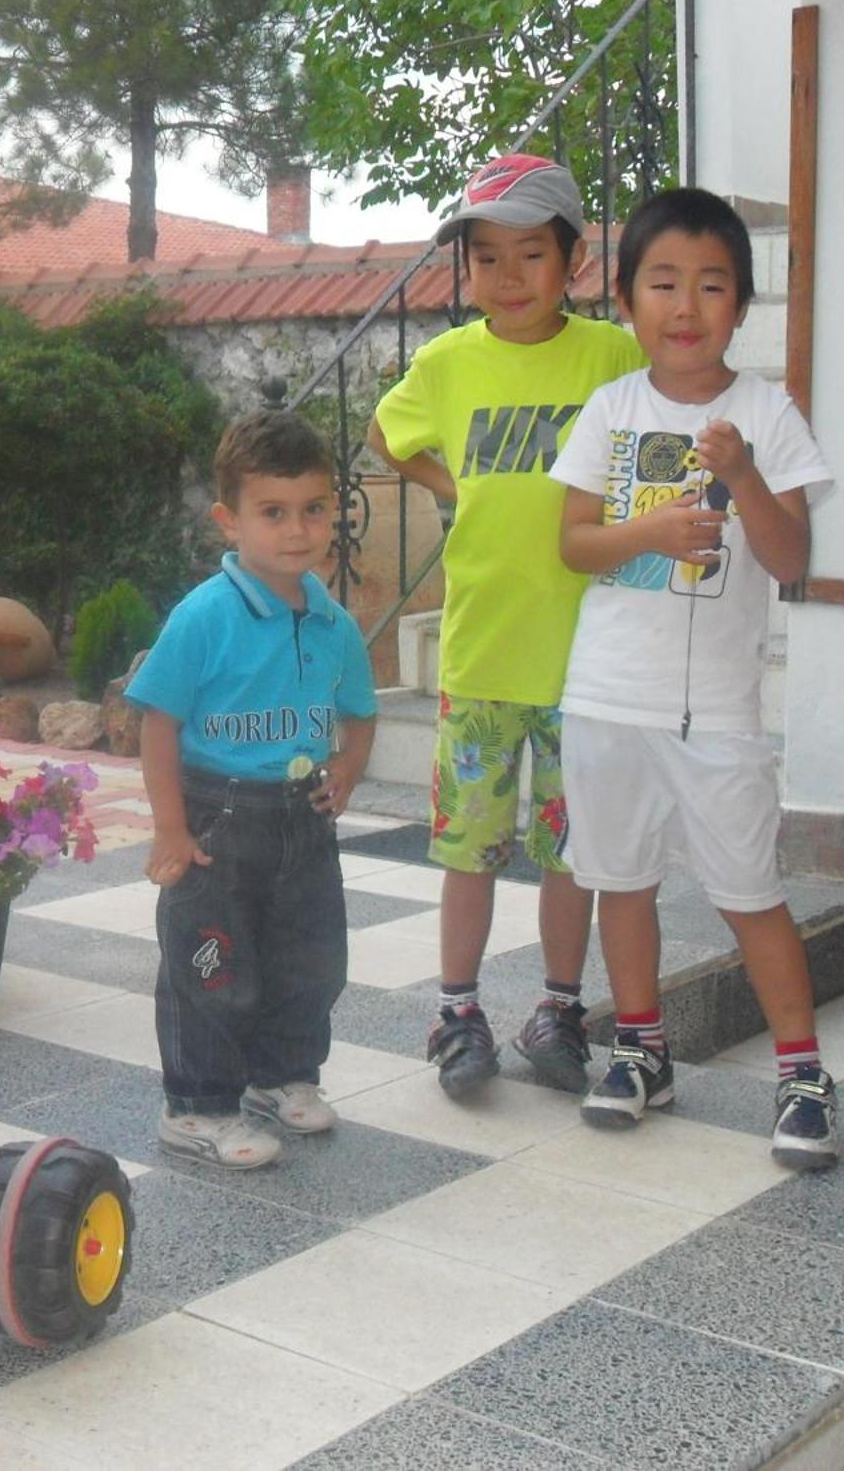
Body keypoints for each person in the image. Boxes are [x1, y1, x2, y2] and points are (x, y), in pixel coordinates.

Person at [548, 186, 837, 1169]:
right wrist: (652, 532)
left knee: (747, 889)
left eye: (710, 285)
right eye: (661, 282)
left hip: (713, 708)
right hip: (603, 696)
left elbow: (789, 557)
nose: (685, 305)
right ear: (624, 300)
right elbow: (576, 545)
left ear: (739, 307)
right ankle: (639, 1050)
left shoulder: (765, 411)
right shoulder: (608, 408)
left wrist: (746, 477)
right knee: (618, 882)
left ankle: (800, 1075)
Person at [366, 154, 647, 1100]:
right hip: (483, 651)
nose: (508, 276)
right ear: (466, 270)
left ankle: (559, 1007)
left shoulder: (612, 356)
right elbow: (387, 435)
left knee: (575, 852)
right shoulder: (447, 363)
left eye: (531, 253)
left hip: (592, 660)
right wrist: (460, 489)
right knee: (467, 849)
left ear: (573, 262)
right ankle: (457, 1011)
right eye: (486, 257)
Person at [127, 409, 378, 1170]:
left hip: (302, 823)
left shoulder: (331, 620)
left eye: (312, 510)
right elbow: (157, 724)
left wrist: (349, 769)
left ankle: (281, 1077)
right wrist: (171, 830)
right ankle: (198, 1105)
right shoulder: (205, 617)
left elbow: (360, 713)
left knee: (310, 960)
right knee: (214, 964)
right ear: (229, 521)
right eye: (273, 513)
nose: (296, 531)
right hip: (217, 820)